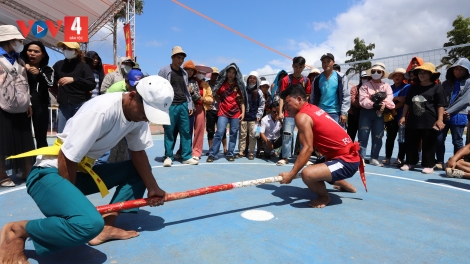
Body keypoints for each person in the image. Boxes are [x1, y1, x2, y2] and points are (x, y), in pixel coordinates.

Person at [0, 76, 171, 262]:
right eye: (146, 111)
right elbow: (66, 157)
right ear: (131, 96)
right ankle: (17, 231)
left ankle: (105, 227)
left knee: (138, 172)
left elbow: (138, 153)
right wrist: (70, 202)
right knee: (87, 224)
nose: (146, 118)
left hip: (80, 171)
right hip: (49, 173)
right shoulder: (102, 110)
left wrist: (152, 187)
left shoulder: (138, 117)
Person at [278, 84, 361, 208]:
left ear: (299, 99)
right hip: (345, 156)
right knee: (318, 168)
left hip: (347, 161)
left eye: (288, 102)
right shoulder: (313, 108)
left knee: (308, 174)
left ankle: (324, 197)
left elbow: (307, 148)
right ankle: (344, 185)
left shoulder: (302, 116)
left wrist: (291, 174)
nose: (285, 107)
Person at [0, 25, 35, 186]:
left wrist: (28, 102)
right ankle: (2, 175)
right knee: (3, 140)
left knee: (24, 137)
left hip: (21, 104)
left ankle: (27, 170)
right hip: (2, 105)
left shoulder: (19, 59)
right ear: (8, 40)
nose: (20, 43)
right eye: (17, 40)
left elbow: (25, 82)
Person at [398, 63, 446, 173]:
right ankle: (410, 162)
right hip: (413, 121)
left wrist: (440, 119)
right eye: (419, 72)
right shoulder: (413, 88)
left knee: (429, 143)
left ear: (431, 74)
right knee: (411, 142)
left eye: (424, 72)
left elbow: (440, 104)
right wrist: (403, 117)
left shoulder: (437, 87)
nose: (421, 74)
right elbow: (407, 104)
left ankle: (429, 165)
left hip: (429, 121)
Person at [158, 46, 197, 167]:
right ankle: (168, 156)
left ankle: (186, 156)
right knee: (169, 131)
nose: (181, 60)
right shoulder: (164, 70)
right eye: (179, 58)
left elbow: (186, 91)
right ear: (173, 57)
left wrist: (189, 104)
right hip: (170, 105)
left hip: (183, 104)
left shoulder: (184, 72)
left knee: (186, 131)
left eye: (182, 58)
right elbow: (158, 87)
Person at [207, 63, 247, 162]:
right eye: (229, 72)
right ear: (226, 72)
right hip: (223, 112)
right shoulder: (221, 84)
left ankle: (230, 153)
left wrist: (243, 113)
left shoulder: (239, 85)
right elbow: (215, 94)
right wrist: (220, 102)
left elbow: (242, 100)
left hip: (235, 113)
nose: (231, 74)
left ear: (236, 74)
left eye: (233, 73)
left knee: (233, 133)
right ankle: (212, 154)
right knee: (220, 132)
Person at [53, 42, 96, 133]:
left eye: (70, 49)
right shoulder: (58, 65)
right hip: (63, 105)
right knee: (62, 133)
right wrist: (57, 92)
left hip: (80, 105)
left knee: (79, 133)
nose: (66, 51)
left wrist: (74, 80)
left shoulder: (84, 67)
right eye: (64, 48)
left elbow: (92, 83)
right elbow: (51, 81)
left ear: (76, 52)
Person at [358, 62, 395, 166]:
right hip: (366, 113)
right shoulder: (365, 85)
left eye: (378, 71)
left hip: (380, 114)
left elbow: (390, 98)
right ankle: (361, 158)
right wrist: (374, 105)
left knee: (378, 136)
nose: (376, 73)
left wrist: (382, 105)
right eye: (373, 71)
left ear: (382, 73)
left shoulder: (386, 86)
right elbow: (362, 99)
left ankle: (374, 157)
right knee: (363, 136)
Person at [436, 58, 470, 170]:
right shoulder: (446, 83)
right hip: (445, 116)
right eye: (456, 69)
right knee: (439, 139)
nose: (458, 71)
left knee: (457, 141)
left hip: (459, 115)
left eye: (462, 69)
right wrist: (442, 113)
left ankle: (457, 162)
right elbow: (441, 98)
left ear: (467, 71)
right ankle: (440, 161)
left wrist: (447, 111)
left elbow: (464, 101)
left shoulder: (468, 83)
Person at [277, 56, 311, 166]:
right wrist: (280, 112)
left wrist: (307, 112)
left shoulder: (306, 81)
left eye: (300, 67)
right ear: (292, 66)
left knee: (303, 135)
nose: (297, 69)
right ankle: (285, 157)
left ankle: (304, 158)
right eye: (296, 66)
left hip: (302, 113)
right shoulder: (286, 80)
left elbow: (307, 97)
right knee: (287, 134)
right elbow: (282, 97)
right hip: (288, 112)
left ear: (303, 67)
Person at [20, 41, 54, 149]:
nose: (32, 53)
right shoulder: (19, 66)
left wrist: (39, 74)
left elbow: (50, 83)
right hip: (22, 104)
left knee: (41, 136)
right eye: (29, 50)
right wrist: (22, 69)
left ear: (43, 54)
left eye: (36, 51)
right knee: (23, 135)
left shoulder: (48, 69)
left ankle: (42, 162)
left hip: (41, 105)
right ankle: (25, 163)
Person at [310, 53, 350, 128]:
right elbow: (313, 96)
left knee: (337, 136)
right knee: (321, 135)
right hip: (320, 112)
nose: (326, 64)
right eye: (323, 62)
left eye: (328, 61)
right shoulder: (317, 79)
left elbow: (346, 95)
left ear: (333, 62)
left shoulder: (341, 77)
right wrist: (313, 112)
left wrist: (344, 113)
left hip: (336, 113)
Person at [383, 68, 410, 166]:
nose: (397, 77)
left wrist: (393, 106)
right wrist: (396, 98)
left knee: (402, 139)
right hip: (391, 117)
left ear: (403, 77)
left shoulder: (407, 87)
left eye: (399, 75)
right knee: (390, 137)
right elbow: (386, 100)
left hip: (402, 116)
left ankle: (400, 158)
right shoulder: (389, 87)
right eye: (395, 75)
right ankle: (388, 157)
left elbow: (405, 101)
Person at [236, 71, 265, 160]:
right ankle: (241, 151)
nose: (252, 80)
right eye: (250, 78)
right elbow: (241, 102)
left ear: (256, 81)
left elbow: (262, 104)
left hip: (255, 118)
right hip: (244, 117)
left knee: (253, 135)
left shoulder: (259, 92)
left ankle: (251, 152)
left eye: (254, 78)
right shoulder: (243, 90)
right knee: (242, 135)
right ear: (248, 80)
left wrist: (259, 114)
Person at [192, 64, 214, 160]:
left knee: (199, 130)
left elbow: (210, 99)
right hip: (189, 107)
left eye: (203, 73)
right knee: (186, 130)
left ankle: (196, 152)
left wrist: (203, 99)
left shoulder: (206, 85)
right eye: (199, 72)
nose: (201, 74)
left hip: (201, 107)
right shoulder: (190, 81)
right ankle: (184, 150)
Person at [205, 67, 228, 156]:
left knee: (222, 129)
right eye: (213, 74)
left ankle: (225, 148)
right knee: (210, 130)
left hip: (220, 110)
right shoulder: (206, 84)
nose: (214, 76)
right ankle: (211, 148)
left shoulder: (221, 85)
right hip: (210, 110)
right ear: (210, 75)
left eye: (216, 74)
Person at [347, 71, 371, 141]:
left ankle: (360, 152)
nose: (366, 79)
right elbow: (353, 101)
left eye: (368, 78)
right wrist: (365, 103)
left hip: (365, 116)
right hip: (353, 115)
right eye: (364, 78)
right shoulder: (355, 88)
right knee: (350, 136)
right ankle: (349, 151)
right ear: (361, 78)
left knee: (362, 138)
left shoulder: (371, 90)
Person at [257, 79, 273, 157]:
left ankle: (264, 149)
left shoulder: (269, 97)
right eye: (263, 87)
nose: (265, 89)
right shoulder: (256, 95)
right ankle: (258, 150)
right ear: (260, 87)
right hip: (258, 120)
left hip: (266, 120)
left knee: (265, 134)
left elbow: (270, 107)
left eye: (266, 87)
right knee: (257, 134)